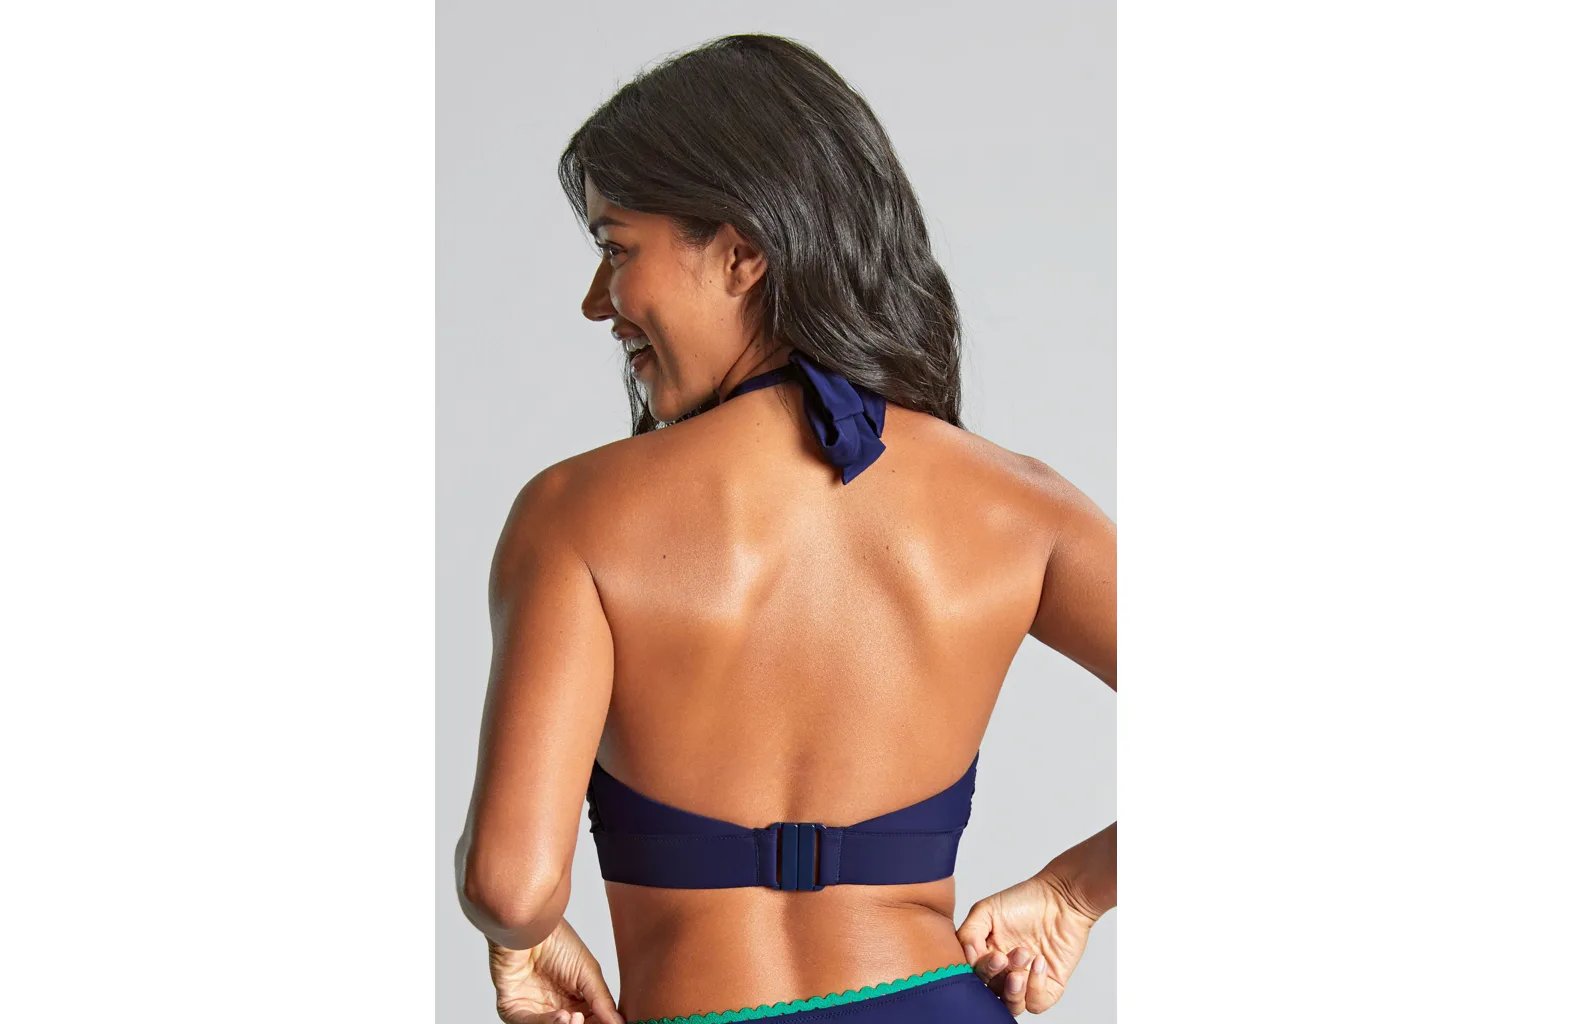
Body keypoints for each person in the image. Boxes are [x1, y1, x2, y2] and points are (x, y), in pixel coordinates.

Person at [453, 34, 1116, 1024]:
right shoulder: (1025, 506)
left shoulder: (573, 514)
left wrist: (526, 940)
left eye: (616, 249)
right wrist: (1074, 891)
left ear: (742, 252)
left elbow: (512, 886)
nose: (598, 302)